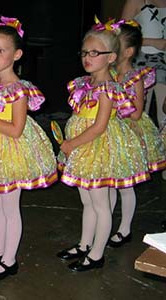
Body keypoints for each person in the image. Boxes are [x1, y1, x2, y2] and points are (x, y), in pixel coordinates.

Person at [56, 17, 150, 272]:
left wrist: (71, 144)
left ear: (111, 57)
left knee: (101, 204)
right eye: (85, 52)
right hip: (82, 149)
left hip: (96, 147)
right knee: (87, 202)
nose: (88, 57)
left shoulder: (108, 88)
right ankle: (85, 243)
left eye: (95, 53)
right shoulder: (85, 83)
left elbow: (99, 127)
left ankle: (97, 253)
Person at [0, 16, 58, 282]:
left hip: (12, 151)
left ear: (17, 54)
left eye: (1, 50)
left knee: (10, 206)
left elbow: (16, 129)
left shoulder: (18, 90)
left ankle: (10, 259)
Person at [108, 21, 166, 248]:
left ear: (129, 51)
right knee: (108, 181)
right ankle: (106, 219)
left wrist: (117, 103)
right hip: (109, 132)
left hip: (129, 132)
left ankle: (125, 228)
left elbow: (137, 111)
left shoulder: (135, 77)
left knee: (125, 184)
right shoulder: (109, 74)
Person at [121, 0, 166, 128]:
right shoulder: (136, 2)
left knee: (164, 115)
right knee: (139, 112)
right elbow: (122, 35)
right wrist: (154, 42)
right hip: (140, 61)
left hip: (164, 63)